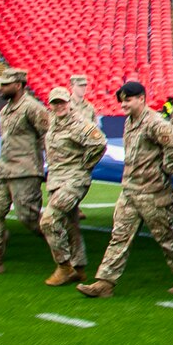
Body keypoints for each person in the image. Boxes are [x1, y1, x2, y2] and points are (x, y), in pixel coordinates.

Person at [80, 81, 173, 298]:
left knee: (167, 238)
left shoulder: (154, 122)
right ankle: (105, 282)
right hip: (131, 190)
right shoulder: (130, 122)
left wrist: (168, 169)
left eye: (128, 100)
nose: (124, 105)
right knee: (119, 236)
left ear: (141, 99)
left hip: (153, 192)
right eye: (122, 101)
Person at [0, 68, 48, 277]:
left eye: (6, 85)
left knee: (29, 218)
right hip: (3, 170)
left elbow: (48, 136)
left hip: (25, 171)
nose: (1, 88)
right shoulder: (6, 110)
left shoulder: (33, 108)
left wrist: (52, 167)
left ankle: (64, 250)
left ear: (19, 85)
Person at [38, 86, 107, 285]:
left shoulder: (79, 123)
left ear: (69, 102)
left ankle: (64, 266)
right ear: (50, 105)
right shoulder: (53, 123)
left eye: (62, 102)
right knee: (70, 225)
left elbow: (99, 143)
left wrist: (84, 166)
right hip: (56, 180)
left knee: (48, 220)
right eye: (55, 103)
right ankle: (79, 268)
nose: (59, 106)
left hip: (73, 180)